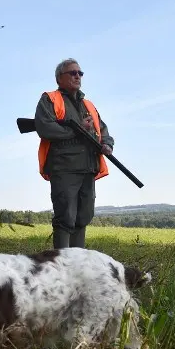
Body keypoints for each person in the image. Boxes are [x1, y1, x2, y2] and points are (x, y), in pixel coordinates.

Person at [33, 58, 114, 249]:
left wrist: (107, 144)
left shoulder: (89, 105)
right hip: (64, 167)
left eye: (80, 73)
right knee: (65, 216)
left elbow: (103, 130)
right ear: (59, 78)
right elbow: (45, 128)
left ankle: (78, 262)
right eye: (73, 73)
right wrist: (78, 130)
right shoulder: (50, 99)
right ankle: (61, 264)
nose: (78, 76)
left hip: (88, 167)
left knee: (83, 216)